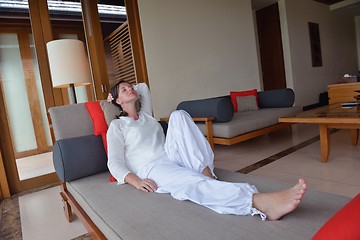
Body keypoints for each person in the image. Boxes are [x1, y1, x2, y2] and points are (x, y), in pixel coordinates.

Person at [106, 80, 307, 221]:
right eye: (124, 90)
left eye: (130, 86)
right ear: (117, 101)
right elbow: (114, 163)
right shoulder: (118, 126)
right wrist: (137, 181)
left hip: (170, 155)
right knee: (191, 182)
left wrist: (122, 91)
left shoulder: (146, 116)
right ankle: (258, 202)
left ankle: (205, 171)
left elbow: (143, 87)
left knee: (178, 115)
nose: (131, 89)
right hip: (151, 167)